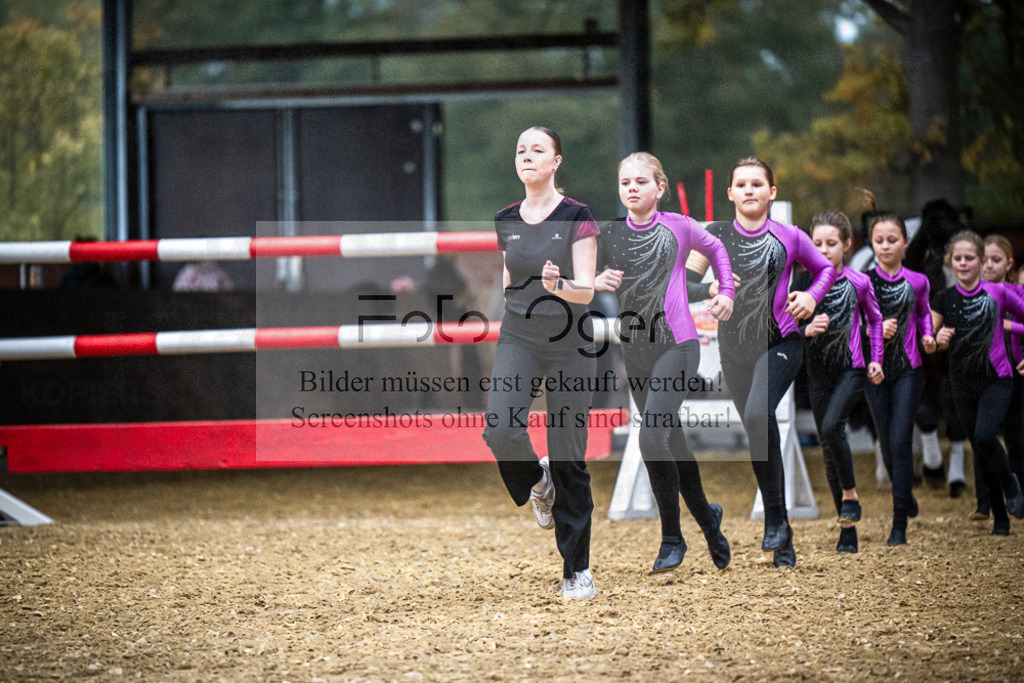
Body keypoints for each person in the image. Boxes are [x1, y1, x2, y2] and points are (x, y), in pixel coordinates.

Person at [687, 157, 836, 568]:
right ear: (730, 193)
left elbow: (824, 269)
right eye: (742, 184)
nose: (750, 190)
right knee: (759, 429)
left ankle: (774, 521)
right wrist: (709, 287)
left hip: (782, 342)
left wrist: (810, 297)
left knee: (757, 413)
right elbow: (682, 282)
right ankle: (781, 532)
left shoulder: (790, 236)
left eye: (758, 184)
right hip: (733, 349)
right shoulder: (712, 236)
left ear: (772, 192)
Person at [595, 152, 734, 573]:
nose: (632, 188)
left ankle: (672, 538)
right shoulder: (609, 234)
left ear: (660, 187)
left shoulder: (679, 226)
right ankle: (709, 520)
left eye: (641, 181)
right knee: (672, 442)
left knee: (651, 440)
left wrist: (724, 290)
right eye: (625, 183)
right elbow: (581, 271)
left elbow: (717, 248)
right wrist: (593, 282)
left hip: (678, 346)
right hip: (634, 351)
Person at [481, 126, 600, 600]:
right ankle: (537, 480)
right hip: (519, 334)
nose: (527, 156)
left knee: (569, 454)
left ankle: (577, 570)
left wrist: (558, 286)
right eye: (521, 150)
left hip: (570, 339)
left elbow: (587, 291)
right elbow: (511, 280)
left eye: (537, 150)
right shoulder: (505, 218)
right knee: (500, 428)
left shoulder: (578, 216)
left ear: (556, 162)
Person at [801, 210, 884, 554]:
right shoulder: (801, 285)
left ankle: (851, 494)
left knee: (834, 426)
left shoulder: (860, 282)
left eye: (831, 244)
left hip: (852, 369)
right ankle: (846, 527)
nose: (823, 250)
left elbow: (876, 320)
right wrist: (805, 329)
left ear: (847, 245)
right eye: (816, 244)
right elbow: (785, 326)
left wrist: (876, 357)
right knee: (828, 447)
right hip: (817, 374)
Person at [931, 231, 1024, 535]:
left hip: (997, 379)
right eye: (957, 258)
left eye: (969, 258)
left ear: (981, 261)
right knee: (980, 448)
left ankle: (1011, 482)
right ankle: (1000, 517)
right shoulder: (944, 298)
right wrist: (937, 339)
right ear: (951, 262)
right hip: (962, 383)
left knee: (985, 436)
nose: (963, 263)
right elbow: (927, 340)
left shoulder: (998, 293)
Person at [863, 212, 937, 545]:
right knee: (886, 446)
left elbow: (923, 314)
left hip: (908, 368)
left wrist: (928, 335)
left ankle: (898, 525)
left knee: (900, 442)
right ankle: (905, 495)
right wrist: (872, 329)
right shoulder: (862, 281)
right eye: (879, 240)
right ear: (871, 243)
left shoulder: (918, 281)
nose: (886, 246)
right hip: (875, 371)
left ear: (905, 243)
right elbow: (853, 325)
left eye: (892, 240)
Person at [976, 235, 1024, 515]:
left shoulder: (1015, 293)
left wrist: (1010, 326)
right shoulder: (970, 294)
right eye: (985, 260)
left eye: (996, 260)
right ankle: (984, 501)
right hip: (984, 374)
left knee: (1016, 437)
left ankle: (1018, 497)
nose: (989, 266)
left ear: (1009, 264)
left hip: (1014, 372)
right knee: (982, 435)